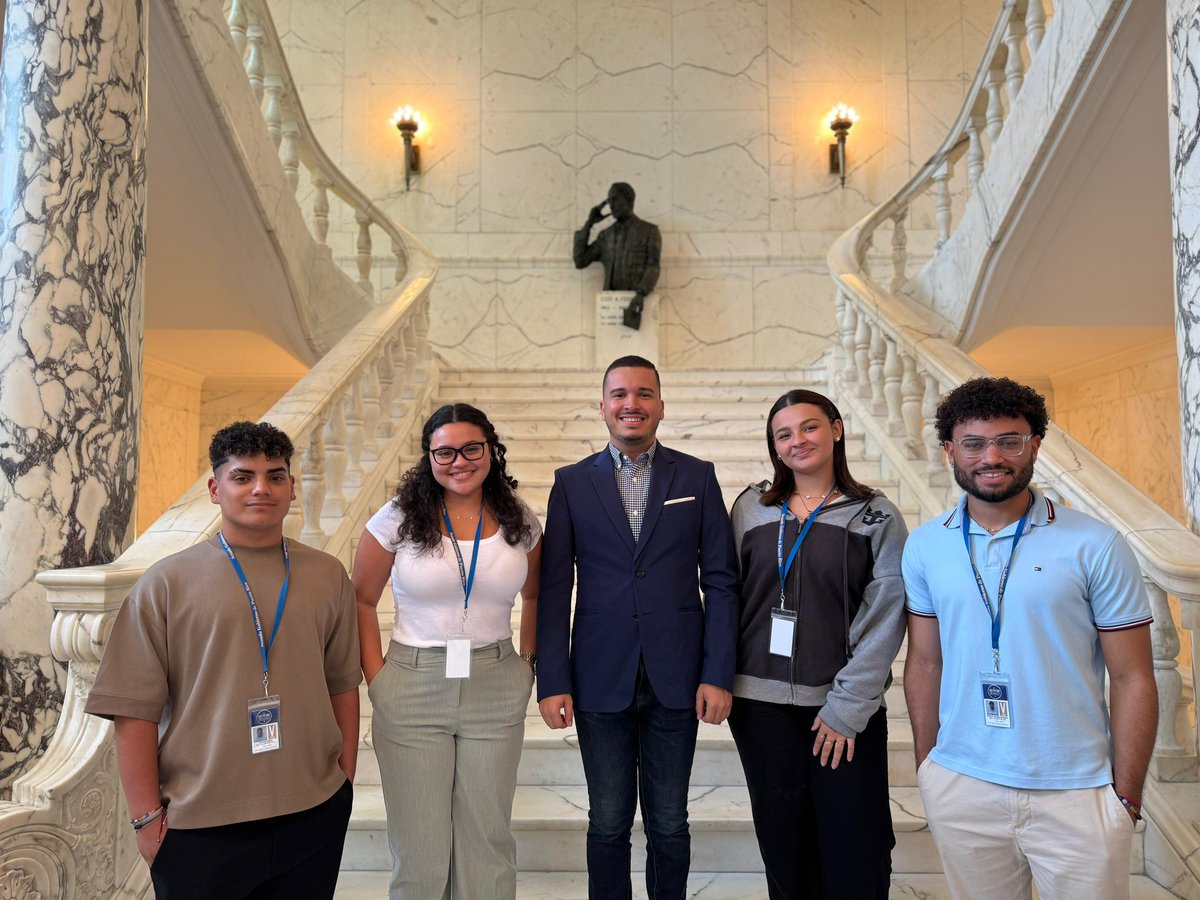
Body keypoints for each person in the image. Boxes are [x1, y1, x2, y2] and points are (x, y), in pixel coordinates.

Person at [903, 377, 1158, 900]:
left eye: (1009, 441)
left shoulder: (1095, 544)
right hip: (963, 784)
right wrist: (931, 769)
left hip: (1077, 791)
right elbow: (926, 663)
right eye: (973, 443)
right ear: (950, 450)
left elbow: (1133, 676)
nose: (991, 457)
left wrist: (1125, 799)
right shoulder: (925, 546)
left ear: (1035, 445)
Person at [85, 421, 360, 899]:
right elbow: (133, 709)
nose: (261, 488)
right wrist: (147, 821)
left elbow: (342, 684)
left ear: (292, 487)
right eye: (242, 476)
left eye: (275, 476)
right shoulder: (166, 583)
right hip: (200, 827)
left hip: (313, 813)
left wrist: (344, 783)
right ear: (215, 489)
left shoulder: (328, 575)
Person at [537, 354, 739, 900]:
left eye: (644, 393)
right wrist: (552, 679)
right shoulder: (571, 483)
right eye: (620, 394)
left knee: (669, 821)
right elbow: (554, 591)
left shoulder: (696, 476)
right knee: (607, 820)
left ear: (661, 406)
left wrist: (718, 673)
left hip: (678, 675)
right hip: (599, 676)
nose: (632, 404)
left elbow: (721, 582)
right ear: (603, 406)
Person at [353, 403, 540, 899]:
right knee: (420, 847)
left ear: (491, 451)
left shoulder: (518, 518)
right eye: (445, 452)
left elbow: (536, 596)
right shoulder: (397, 517)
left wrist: (526, 665)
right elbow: (361, 599)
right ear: (429, 457)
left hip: (495, 682)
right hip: (412, 684)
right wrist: (379, 679)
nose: (459, 461)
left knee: (488, 838)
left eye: (471, 449)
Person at [728, 389, 907, 899]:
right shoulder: (751, 509)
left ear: (836, 429)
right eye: (783, 434)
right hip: (760, 707)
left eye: (809, 427)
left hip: (842, 708)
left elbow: (887, 612)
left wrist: (848, 705)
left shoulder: (876, 515)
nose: (797, 441)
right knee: (785, 853)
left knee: (857, 852)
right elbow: (726, 595)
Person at [573, 182, 662, 329]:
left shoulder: (649, 231)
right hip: (610, 307)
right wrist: (589, 224)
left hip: (636, 303)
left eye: (614, 199)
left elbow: (653, 266)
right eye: (609, 201)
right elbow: (580, 260)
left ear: (628, 200)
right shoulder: (606, 236)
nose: (611, 205)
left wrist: (641, 293)